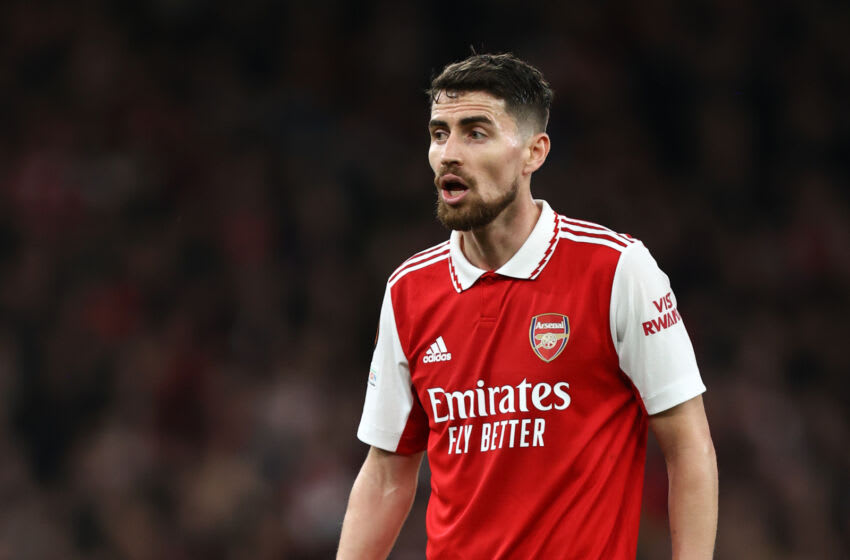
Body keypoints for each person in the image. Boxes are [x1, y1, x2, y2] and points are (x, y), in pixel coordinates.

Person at [337, 53, 718, 559]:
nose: (449, 153)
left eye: (476, 133)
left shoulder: (617, 270)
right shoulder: (409, 289)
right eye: (438, 133)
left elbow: (688, 448)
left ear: (533, 153)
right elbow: (386, 474)